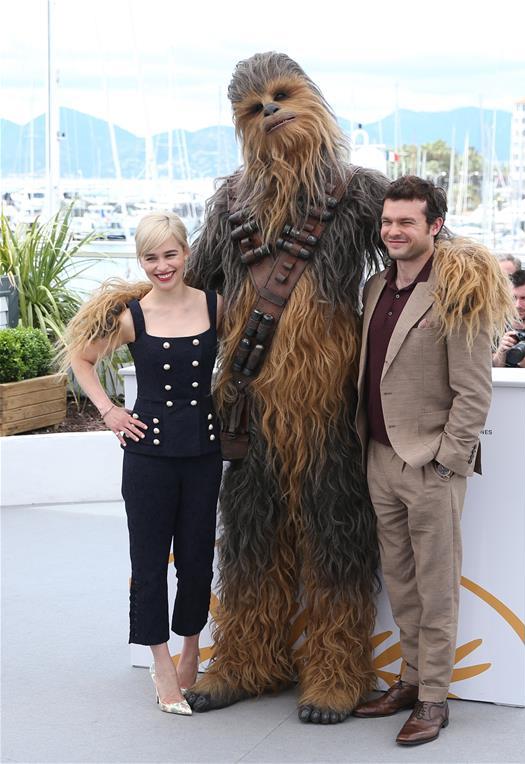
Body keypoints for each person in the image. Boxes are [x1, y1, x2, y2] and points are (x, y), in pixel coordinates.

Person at [183, 52, 387, 724]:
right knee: (248, 541)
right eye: (252, 108)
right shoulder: (230, 203)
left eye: (279, 94)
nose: (268, 111)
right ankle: (246, 659)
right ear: (241, 127)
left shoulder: (356, 194)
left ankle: (336, 669)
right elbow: (191, 290)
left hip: (330, 413)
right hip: (249, 407)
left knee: (337, 542)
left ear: (312, 97)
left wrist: (470, 271)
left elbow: (419, 251)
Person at [352, 176, 510, 746]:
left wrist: (447, 462)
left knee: (436, 586)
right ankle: (409, 679)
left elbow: (474, 390)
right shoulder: (374, 287)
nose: (393, 231)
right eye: (388, 222)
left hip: (430, 466)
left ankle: (434, 700)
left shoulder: (458, 288)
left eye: (406, 222)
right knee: (400, 581)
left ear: (434, 226)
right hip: (378, 457)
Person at [64, 212, 223, 716]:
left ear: (186, 254)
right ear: (141, 260)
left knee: (197, 559)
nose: (161, 266)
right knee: (150, 562)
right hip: (149, 456)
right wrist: (110, 411)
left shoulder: (217, 306)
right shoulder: (133, 316)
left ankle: (192, 645)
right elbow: (80, 359)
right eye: (151, 257)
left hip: (204, 451)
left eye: (170, 254)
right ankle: (159, 662)